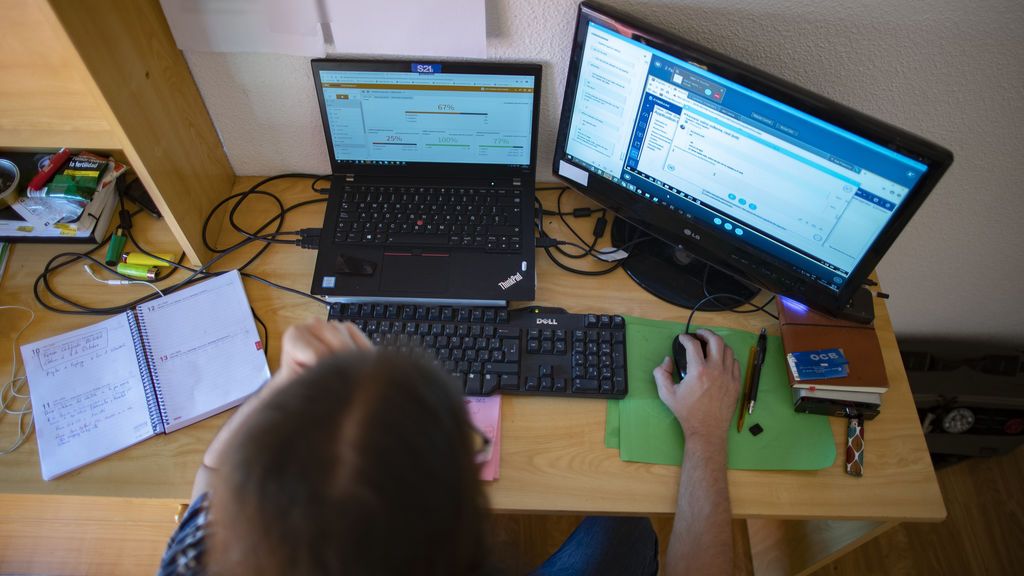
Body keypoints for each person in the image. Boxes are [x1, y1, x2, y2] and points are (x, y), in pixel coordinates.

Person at [159, 320, 740, 576]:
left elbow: (213, 474)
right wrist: (705, 433)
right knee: (626, 530)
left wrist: (296, 384)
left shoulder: (202, 564)